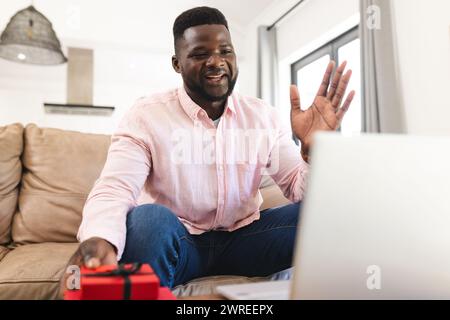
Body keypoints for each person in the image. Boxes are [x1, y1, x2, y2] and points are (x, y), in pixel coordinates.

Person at [61, 6, 354, 293]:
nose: (216, 62)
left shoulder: (262, 116)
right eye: (200, 54)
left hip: (247, 239)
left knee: (321, 215)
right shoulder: (146, 116)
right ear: (177, 63)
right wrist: (98, 239)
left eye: (225, 51)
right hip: (180, 241)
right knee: (148, 218)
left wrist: (312, 151)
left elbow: (297, 188)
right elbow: (115, 187)